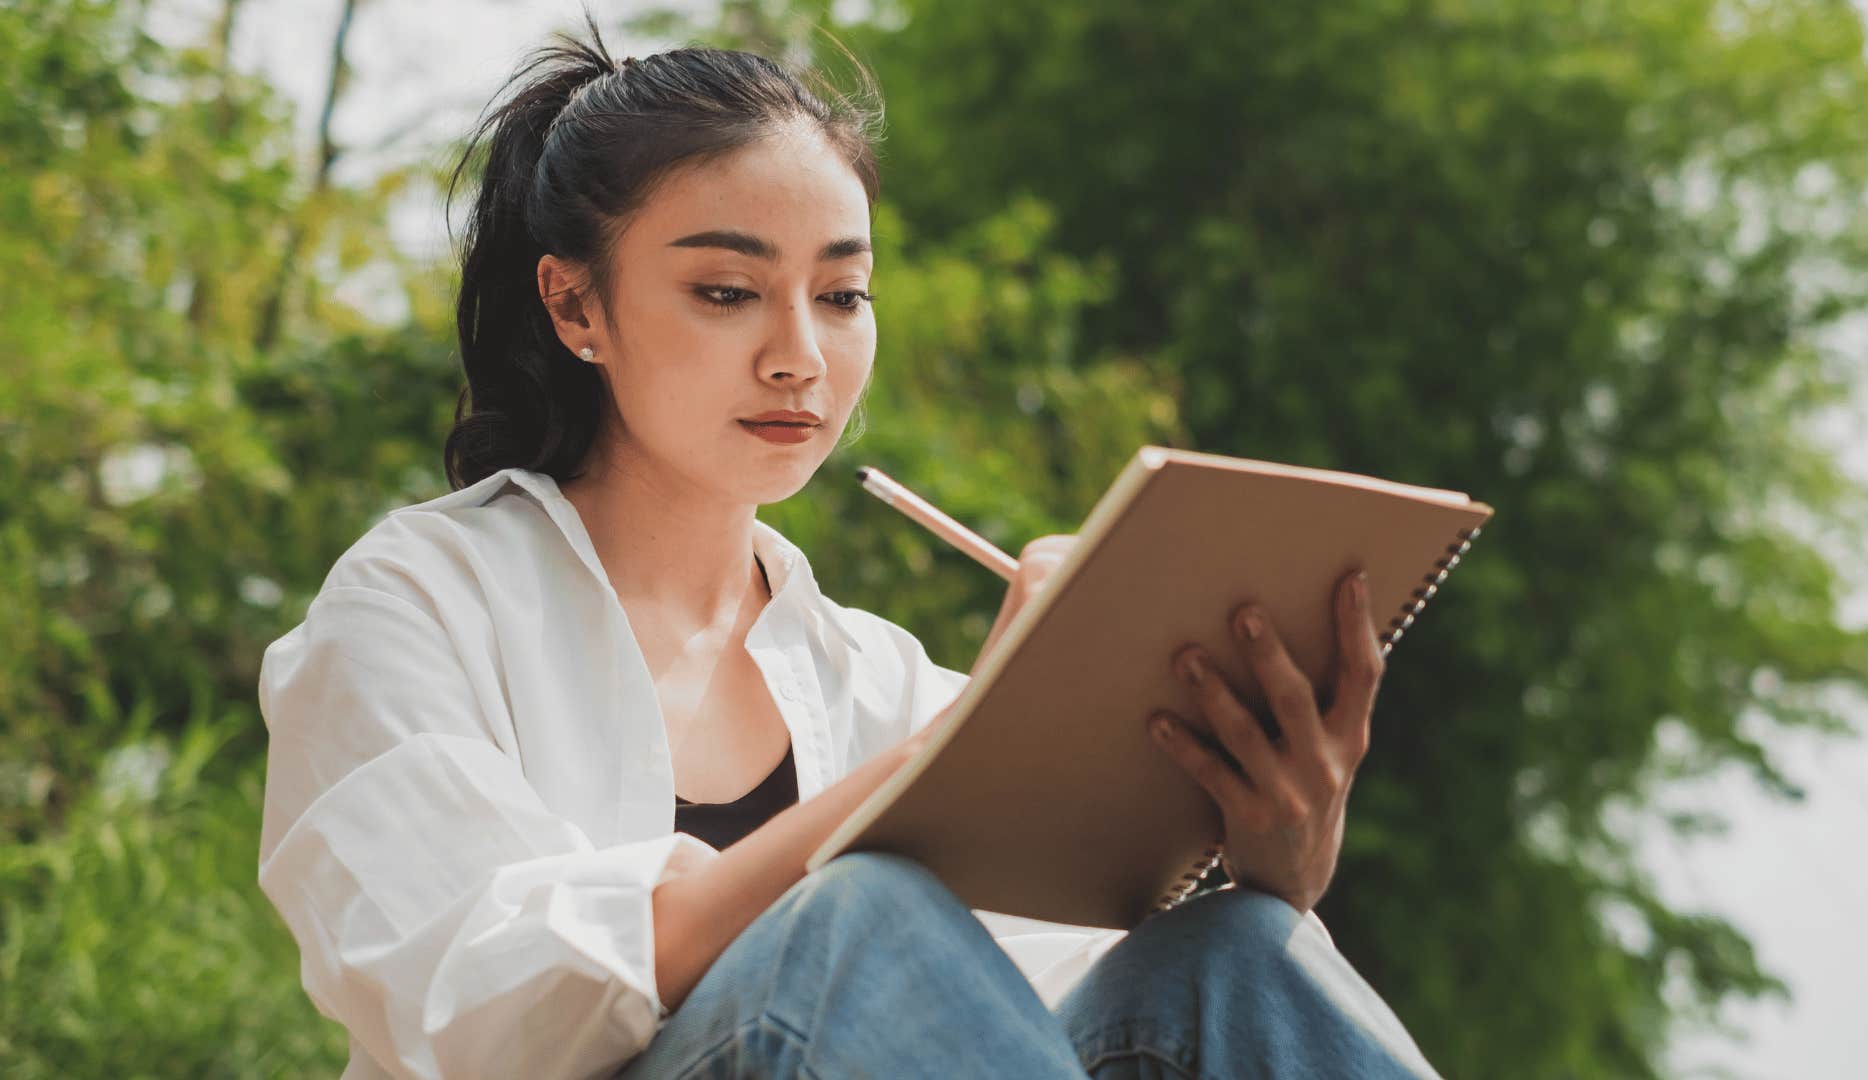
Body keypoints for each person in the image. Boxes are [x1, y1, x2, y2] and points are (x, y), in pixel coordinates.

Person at [255, 14, 1441, 1080]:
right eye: (727, 291)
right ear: (575, 308)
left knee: (1234, 950)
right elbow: (478, 1011)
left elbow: (1064, 1019)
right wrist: (957, 749)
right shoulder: (415, 605)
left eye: (841, 295)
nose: (799, 357)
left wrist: (1270, 861)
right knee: (857, 920)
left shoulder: (873, 678)